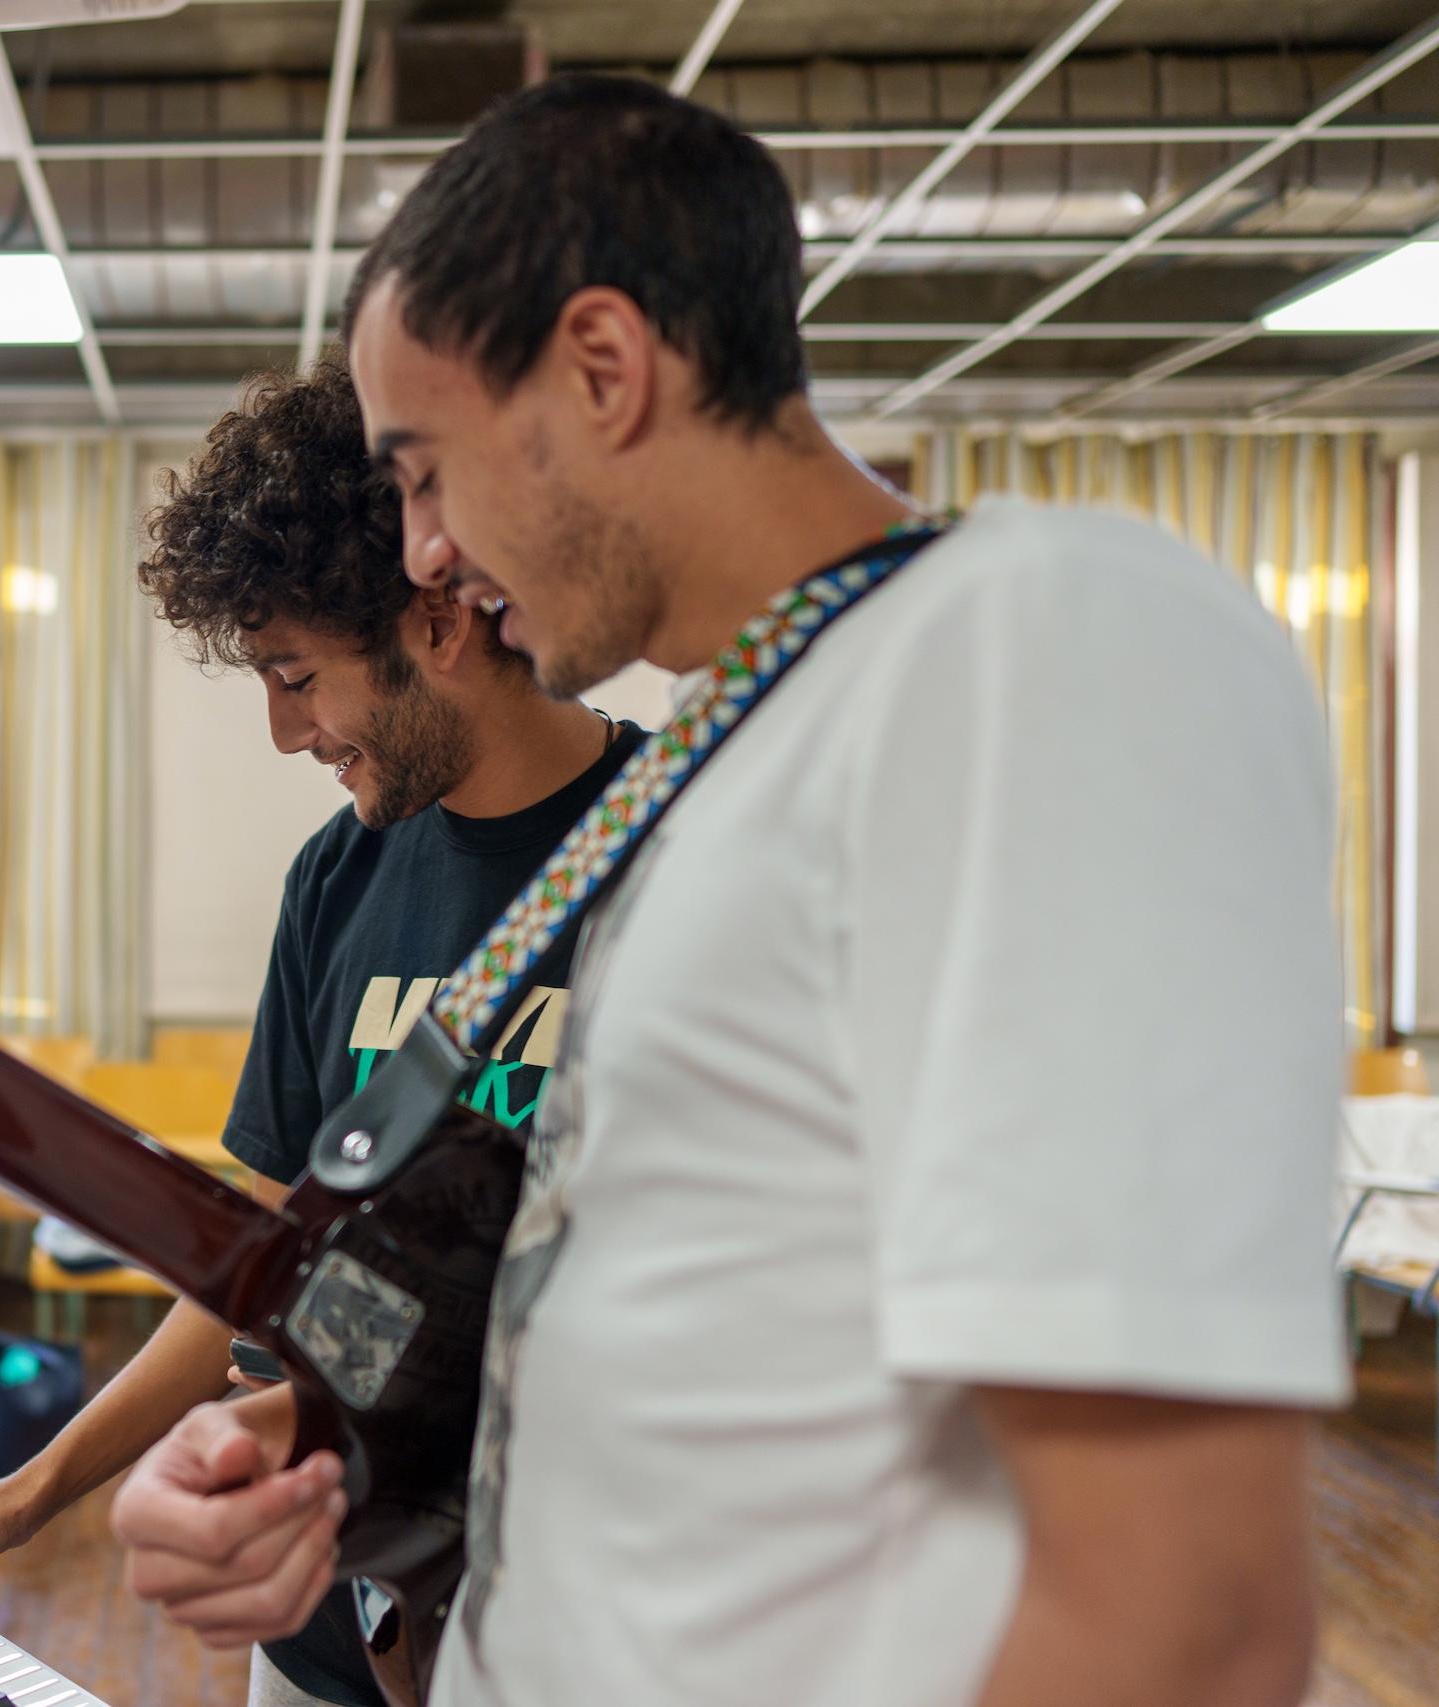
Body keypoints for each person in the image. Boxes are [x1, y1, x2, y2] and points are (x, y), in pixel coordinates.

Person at [109, 74, 1348, 1707]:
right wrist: (312, 1444)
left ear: (605, 370)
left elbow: (1178, 1612)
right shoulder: (721, 767)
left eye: (423, 470)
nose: (417, 554)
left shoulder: (1025, 642)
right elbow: (713, 1341)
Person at [0, 357, 642, 1707]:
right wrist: (30, 1494)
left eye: (298, 675)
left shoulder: (675, 854)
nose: (282, 730)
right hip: (322, 1629)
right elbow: (256, 1273)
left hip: (570, 1637)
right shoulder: (338, 876)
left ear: (437, 616)